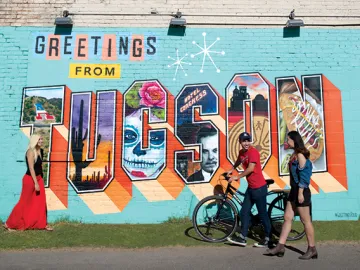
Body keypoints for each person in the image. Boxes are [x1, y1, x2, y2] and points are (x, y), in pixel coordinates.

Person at [265, 131, 317, 259]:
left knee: (306, 221)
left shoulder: (300, 155)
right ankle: (280, 246)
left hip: (301, 192)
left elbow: (305, 176)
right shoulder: (295, 154)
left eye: (288, 139)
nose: (286, 141)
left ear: (294, 140)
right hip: (294, 191)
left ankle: (312, 249)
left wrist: (300, 193)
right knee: (287, 217)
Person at [226, 132, 271, 248]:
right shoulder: (242, 152)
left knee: (262, 214)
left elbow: (250, 169)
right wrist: (231, 169)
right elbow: (239, 161)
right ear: (240, 142)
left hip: (259, 188)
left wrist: (236, 176)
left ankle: (268, 238)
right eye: (244, 141)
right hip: (251, 188)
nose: (246, 143)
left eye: (248, 140)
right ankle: (243, 238)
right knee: (244, 212)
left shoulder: (253, 152)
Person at [3, 134, 53, 231]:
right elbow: (31, 168)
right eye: (39, 139)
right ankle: (9, 223)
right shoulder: (30, 152)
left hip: (39, 179)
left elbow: (39, 167)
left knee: (40, 202)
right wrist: (36, 183)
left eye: (42, 139)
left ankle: (42, 224)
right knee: (24, 202)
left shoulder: (40, 151)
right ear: (35, 140)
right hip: (30, 179)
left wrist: (40, 180)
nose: (41, 141)